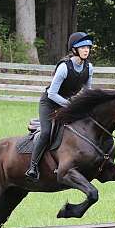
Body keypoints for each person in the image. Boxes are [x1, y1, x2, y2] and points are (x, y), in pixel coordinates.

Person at [25, 32, 94, 181]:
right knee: (46, 133)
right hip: (49, 103)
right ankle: (33, 167)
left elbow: (88, 92)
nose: (86, 50)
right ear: (74, 49)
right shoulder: (64, 67)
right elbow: (52, 93)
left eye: (88, 47)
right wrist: (71, 105)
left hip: (67, 105)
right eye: (82, 47)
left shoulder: (89, 68)